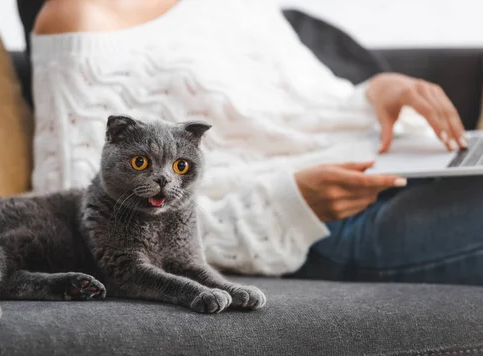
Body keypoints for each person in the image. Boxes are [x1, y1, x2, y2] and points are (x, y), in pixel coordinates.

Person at [30, 0, 483, 285]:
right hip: (322, 225)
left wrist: (377, 91)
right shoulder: (79, 18)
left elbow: (312, 105)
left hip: (401, 160)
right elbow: (84, 210)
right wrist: (289, 202)